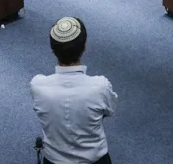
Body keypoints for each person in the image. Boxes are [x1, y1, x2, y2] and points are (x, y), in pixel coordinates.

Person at [31, 17, 117, 164]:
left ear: (53, 50)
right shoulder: (101, 86)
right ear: (85, 46)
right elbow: (110, 110)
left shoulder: (37, 85)